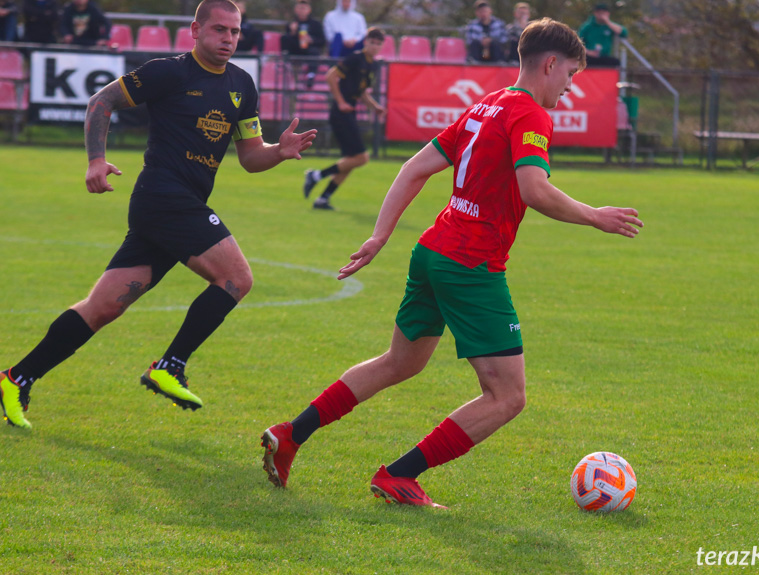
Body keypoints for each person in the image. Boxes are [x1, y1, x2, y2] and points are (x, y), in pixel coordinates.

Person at [261, 17, 643, 507]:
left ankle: (290, 434)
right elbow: (535, 189)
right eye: (570, 73)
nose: (570, 86)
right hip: (470, 264)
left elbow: (413, 167)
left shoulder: (488, 104)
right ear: (550, 64)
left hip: (433, 251)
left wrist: (381, 235)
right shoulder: (530, 115)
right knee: (508, 397)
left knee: (400, 362)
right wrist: (595, 216)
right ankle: (400, 475)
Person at [0, 0, 317, 430]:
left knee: (104, 306)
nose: (228, 39)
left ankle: (15, 378)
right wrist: (96, 159)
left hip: (175, 207)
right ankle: (170, 364)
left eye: (235, 31)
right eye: (219, 30)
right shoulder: (169, 72)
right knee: (237, 279)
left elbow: (249, 158)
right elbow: (102, 100)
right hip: (163, 197)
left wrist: (278, 152)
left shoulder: (242, 85)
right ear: (195, 30)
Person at [302, 27, 385, 211]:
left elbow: (362, 91)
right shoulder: (355, 58)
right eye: (372, 42)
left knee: (350, 160)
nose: (375, 46)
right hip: (341, 112)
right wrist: (340, 102)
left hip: (349, 111)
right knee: (361, 158)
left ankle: (323, 199)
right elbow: (330, 76)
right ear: (366, 41)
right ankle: (316, 175)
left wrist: (375, 107)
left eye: (378, 44)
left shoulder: (372, 64)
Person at [578, 2, 627, 68]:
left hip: (604, 56)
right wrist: (589, 52)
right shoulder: (587, 27)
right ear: (595, 13)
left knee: (615, 62)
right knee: (582, 61)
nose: (601, 15)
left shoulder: (610, 26)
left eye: (603, 13)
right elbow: (578, 43)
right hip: (589, 56)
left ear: (608, 13)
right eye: (599, 13)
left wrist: (607, 22)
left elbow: (623, 33)